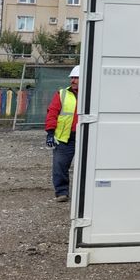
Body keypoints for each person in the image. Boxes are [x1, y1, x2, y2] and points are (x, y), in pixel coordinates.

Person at [45, 65, 80, 202]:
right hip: (66, 138)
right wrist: (50, 133)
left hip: (86, 137)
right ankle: (61, 192)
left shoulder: (92, 94)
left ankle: (84, 193)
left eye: (76, 78)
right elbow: (52, 113)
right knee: (60, 165)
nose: (73, 80)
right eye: (72, 78)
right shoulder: (62, 94)